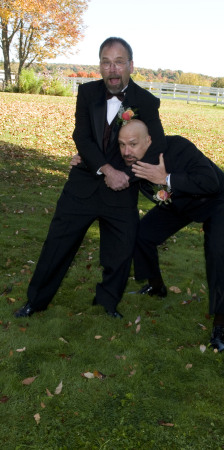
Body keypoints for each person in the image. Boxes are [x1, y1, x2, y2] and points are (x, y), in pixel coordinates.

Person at [14, 37, 166, 320]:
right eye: (106, 62)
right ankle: (35, 301)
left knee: (119, 253)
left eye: (119, 62)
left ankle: (107, 303)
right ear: (100, 65)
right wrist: (106, 169)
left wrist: (126, 178)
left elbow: (155, 147)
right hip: (83, 184)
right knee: (56, 245)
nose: (112, 69)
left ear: (130, 65)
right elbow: (81, 137)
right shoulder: (86, 94)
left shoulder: (146, 102)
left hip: (122, 190)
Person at [118, 120, 224, 352]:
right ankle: (156, 286)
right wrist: (84, 161)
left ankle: (221, 322)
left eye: (132, 144)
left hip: (216, 200)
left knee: (216, 254)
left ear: (148, 140)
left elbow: (210, 182)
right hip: (179, 204)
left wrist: (166, 178)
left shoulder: (178, 147)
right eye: (122, 145)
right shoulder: (128, 157)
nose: (126, 151)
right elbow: (106, 164)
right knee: (141, 234)